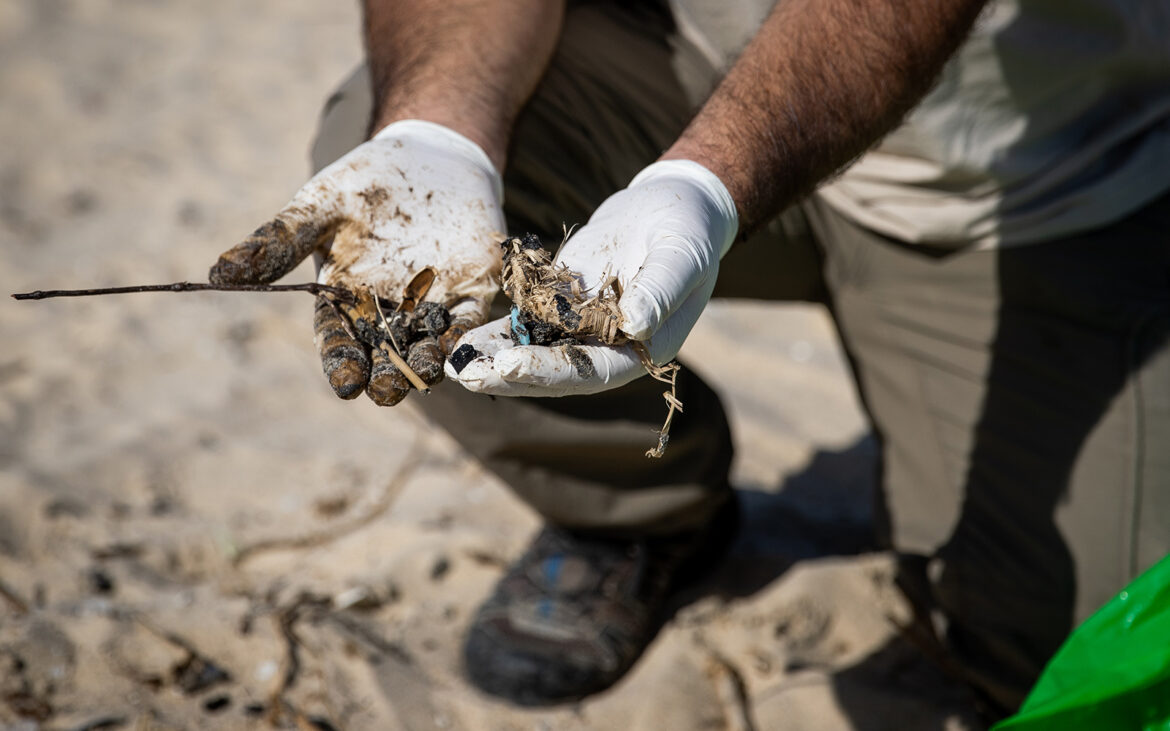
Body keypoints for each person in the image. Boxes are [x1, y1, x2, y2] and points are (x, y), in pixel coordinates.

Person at [209, 0, 1170, 721]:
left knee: (1055, 648)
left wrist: (703, 186)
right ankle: (639, 509)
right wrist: (435, 132)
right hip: (694, 73)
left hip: (1043, 177)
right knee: (386, 195)